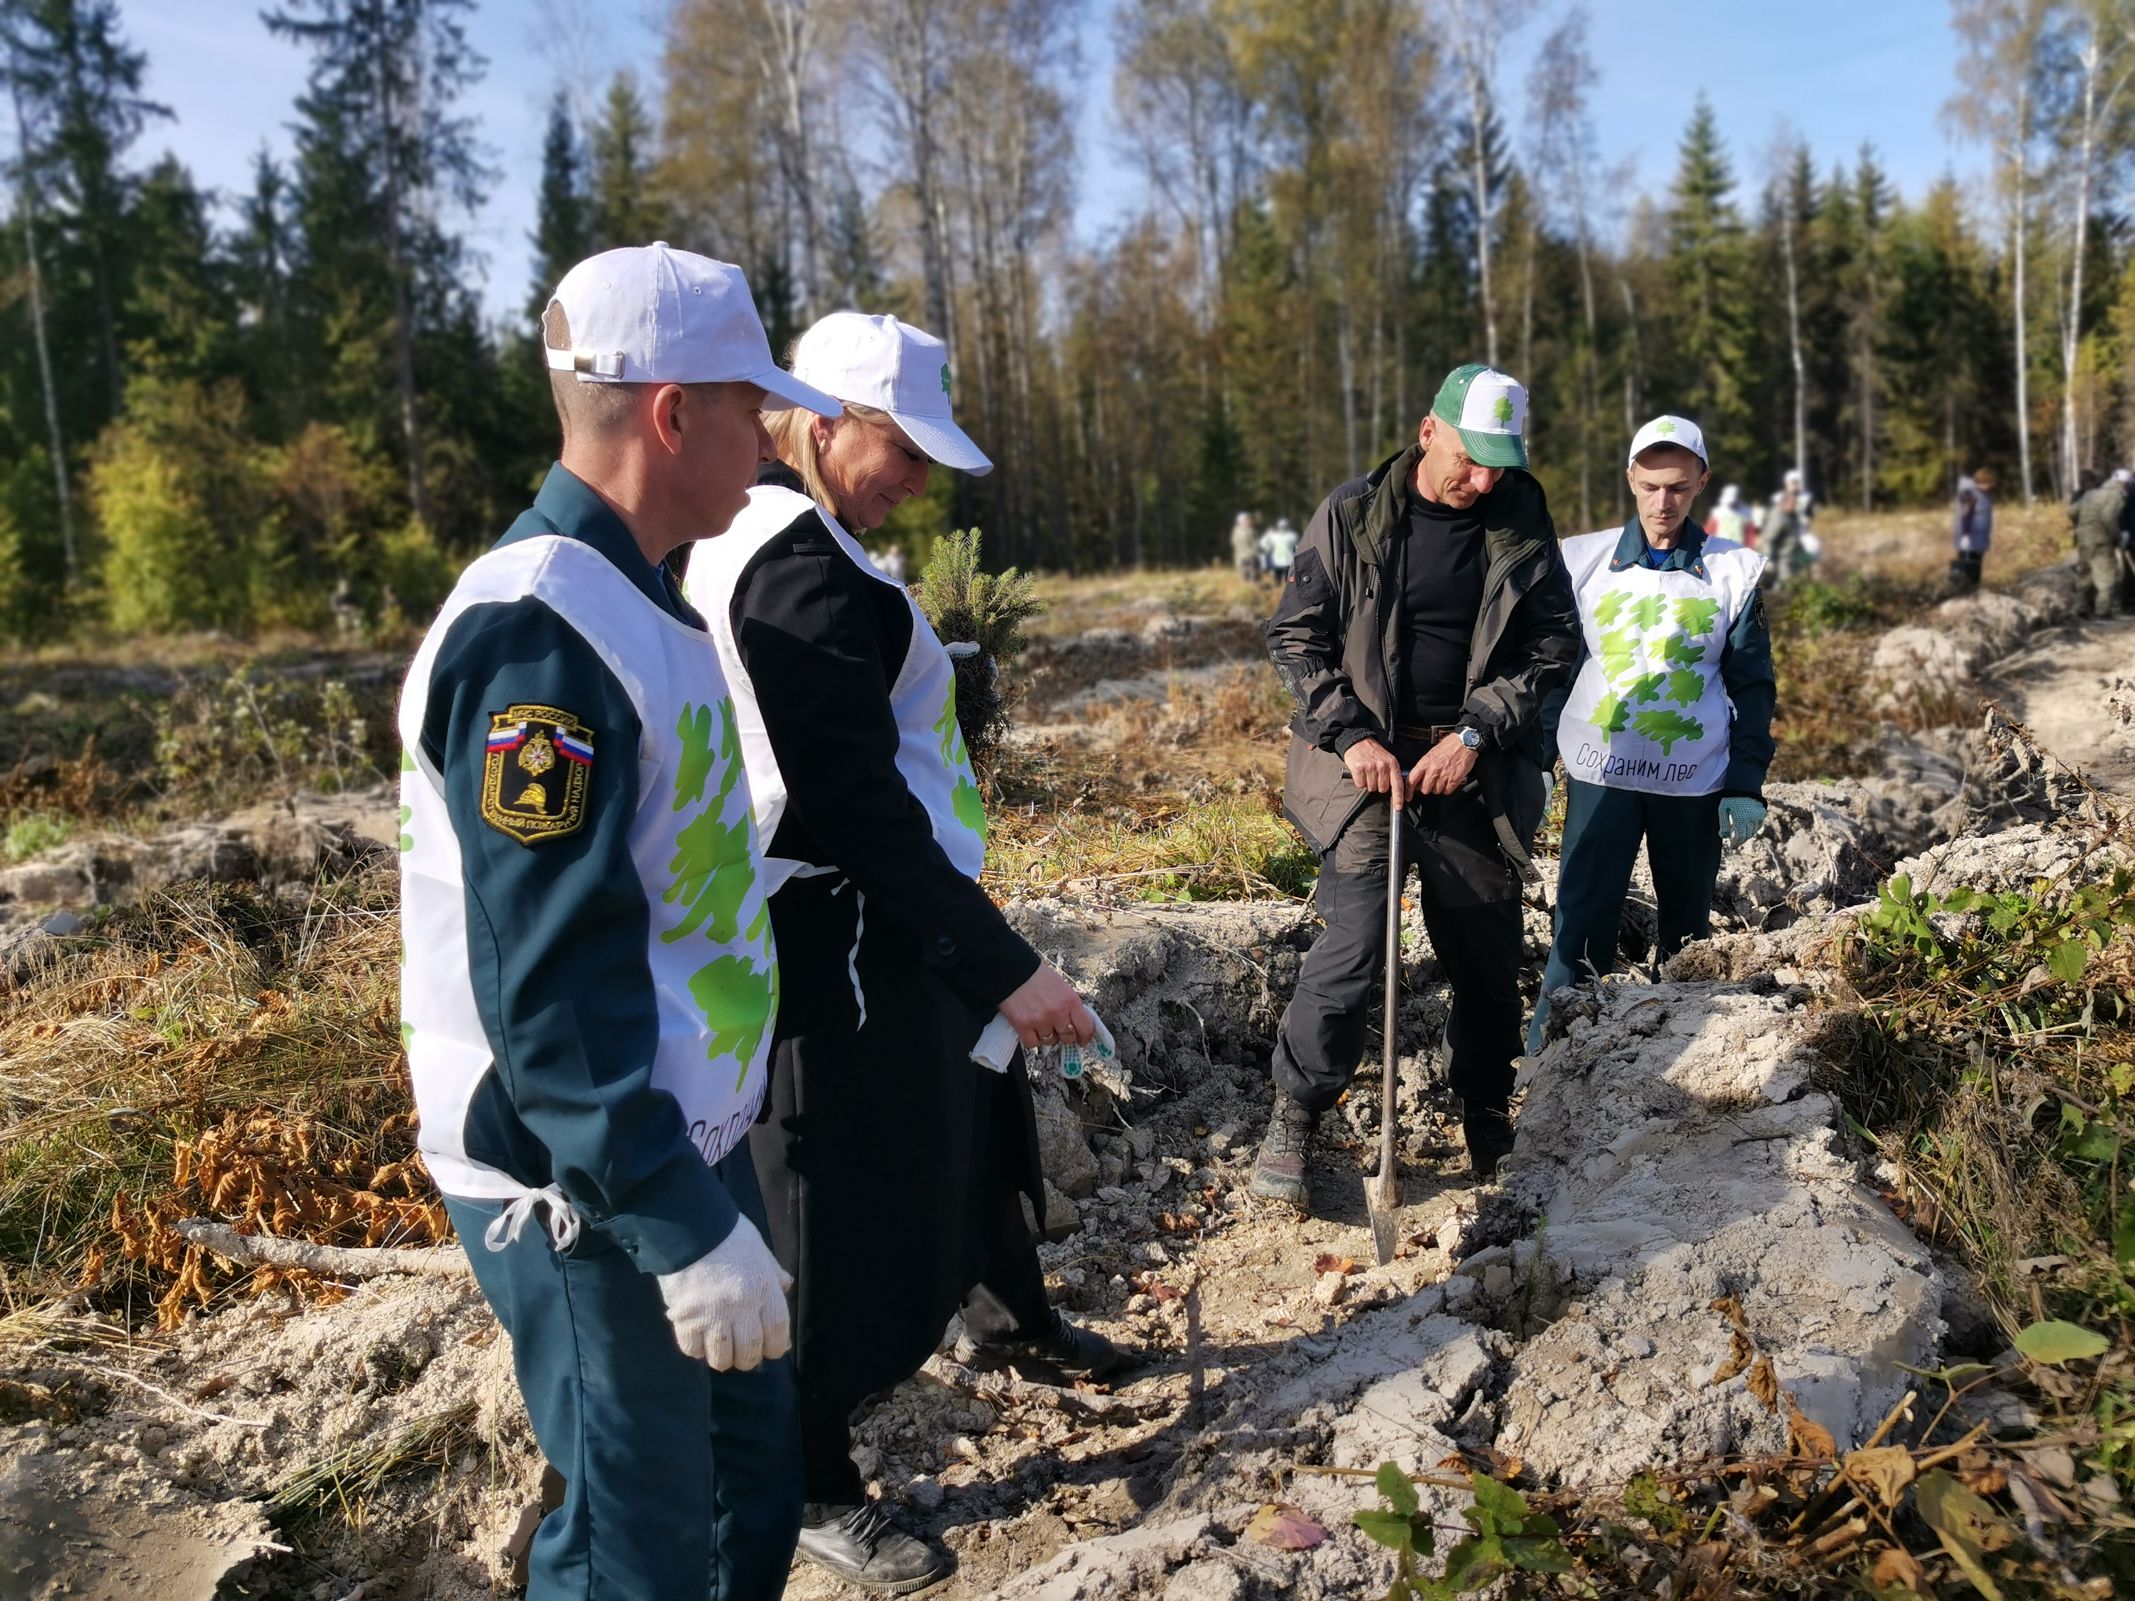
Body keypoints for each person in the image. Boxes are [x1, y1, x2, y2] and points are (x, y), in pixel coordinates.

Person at [398, 244, 842, 1601]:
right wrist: (675, 1218)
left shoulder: (647, 595)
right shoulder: (542, 635)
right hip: (586, 1179)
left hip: (673, 1140)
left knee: (742, 1489)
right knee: (634, 1549)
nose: (773, 445)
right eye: (751, 410)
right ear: (670, 414)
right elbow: (548, 986)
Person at [684, 311, 1126, 1593]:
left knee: (977, 1101)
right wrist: (999, 961)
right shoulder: (794, 564)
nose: (920, 484)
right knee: (831, 1190)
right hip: (844, 921)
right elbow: (853, 806)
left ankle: (1009, 1311)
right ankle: (811, 1472)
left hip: (895, 905)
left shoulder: (793, 537)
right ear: (822, 421)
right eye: (901, 449)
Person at [1250, 363, 1579, 1205]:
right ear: (1427, 430)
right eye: (1470, 459)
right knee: (1353, 946)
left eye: (1498, 464)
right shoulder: (1353, 512)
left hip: (1470, 766)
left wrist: (1474, 733)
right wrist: (1352, 733)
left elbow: (1552, 649)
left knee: (1483, 950)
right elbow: (1295, 637)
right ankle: (1296, 1112)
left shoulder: (1520, 518)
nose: (1483, 479)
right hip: (1367, 768)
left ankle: (1483, 1113)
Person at [1529, 416, 1777, 1051]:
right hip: (1599, 774)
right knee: (1578, 928)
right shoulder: (1582, 560)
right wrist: (1536, 755)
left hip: (1692, 779)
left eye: (1678, 487)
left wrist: (1745, 782)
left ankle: (1676, 1065)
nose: (1663, 502)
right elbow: (1552, 669)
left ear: (1701, 483)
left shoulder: (1734, 571)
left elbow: (1752, 684)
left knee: (1688, 933)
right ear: (1631, 479)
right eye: (1651, 486)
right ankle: (1546, 1069)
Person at [2072, 465, 2125, 620]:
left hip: (2084, 538)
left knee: (2085, 573)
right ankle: (2103, 612)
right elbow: (2108, 517)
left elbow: (2071, 511)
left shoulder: (2089, 494)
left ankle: (2081, 608)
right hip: (2102, 540)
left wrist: (2081, 525)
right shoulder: (2115, 496)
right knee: (2105, 575)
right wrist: (2117, 536)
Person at [1949, 468, 1995, 594]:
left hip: (1978, 538)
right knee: (1968, 565)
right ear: (1982, 481)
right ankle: (1964, 592)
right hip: (1969, 537)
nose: (1991, 486)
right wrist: (1965, 535)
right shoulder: (1968, 492)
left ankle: (1974, 590)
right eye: (1989, 483)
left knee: (1976, 565)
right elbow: (1966, 514)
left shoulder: (1981, 493)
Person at [1261, 515, 1300, 582]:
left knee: (1287, 579)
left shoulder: (1291, 535)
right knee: (1281, 579)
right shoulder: (1274, 535)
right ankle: (1280, 588)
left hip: (1287, 561)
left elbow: (1297, 546)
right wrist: (1269, 549)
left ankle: (1284, 588)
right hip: (1279, 561)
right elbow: (1263, 543)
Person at [1231, 510, 1262, 583]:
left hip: (1240, 558)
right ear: (1243, 521)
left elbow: (1234, 544)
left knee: (1245, 577)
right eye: (1248, 519)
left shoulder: (1236, 531)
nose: (1250, 521)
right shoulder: (1250, 531)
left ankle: (1247, 590)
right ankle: (1254, 591)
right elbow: (1256, 545)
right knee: (1254, 577)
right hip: (1251, 557)